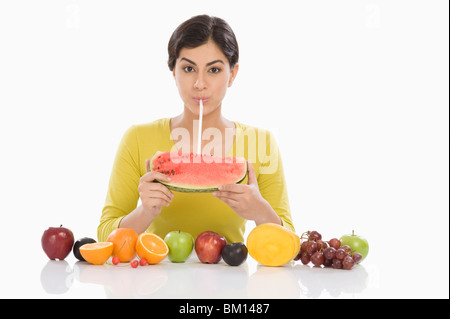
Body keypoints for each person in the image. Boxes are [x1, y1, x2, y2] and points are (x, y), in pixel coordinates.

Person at [98, 15, 295, 243]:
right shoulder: (137, 139)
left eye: (213, 70)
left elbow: (289, 243)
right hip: (155, 276)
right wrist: (145, 212)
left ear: (232, 74)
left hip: (231, 277)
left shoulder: (262, 143)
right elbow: (104, 234)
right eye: (189, 68)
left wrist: (261, 212)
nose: (199, 83)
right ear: (174, 72)